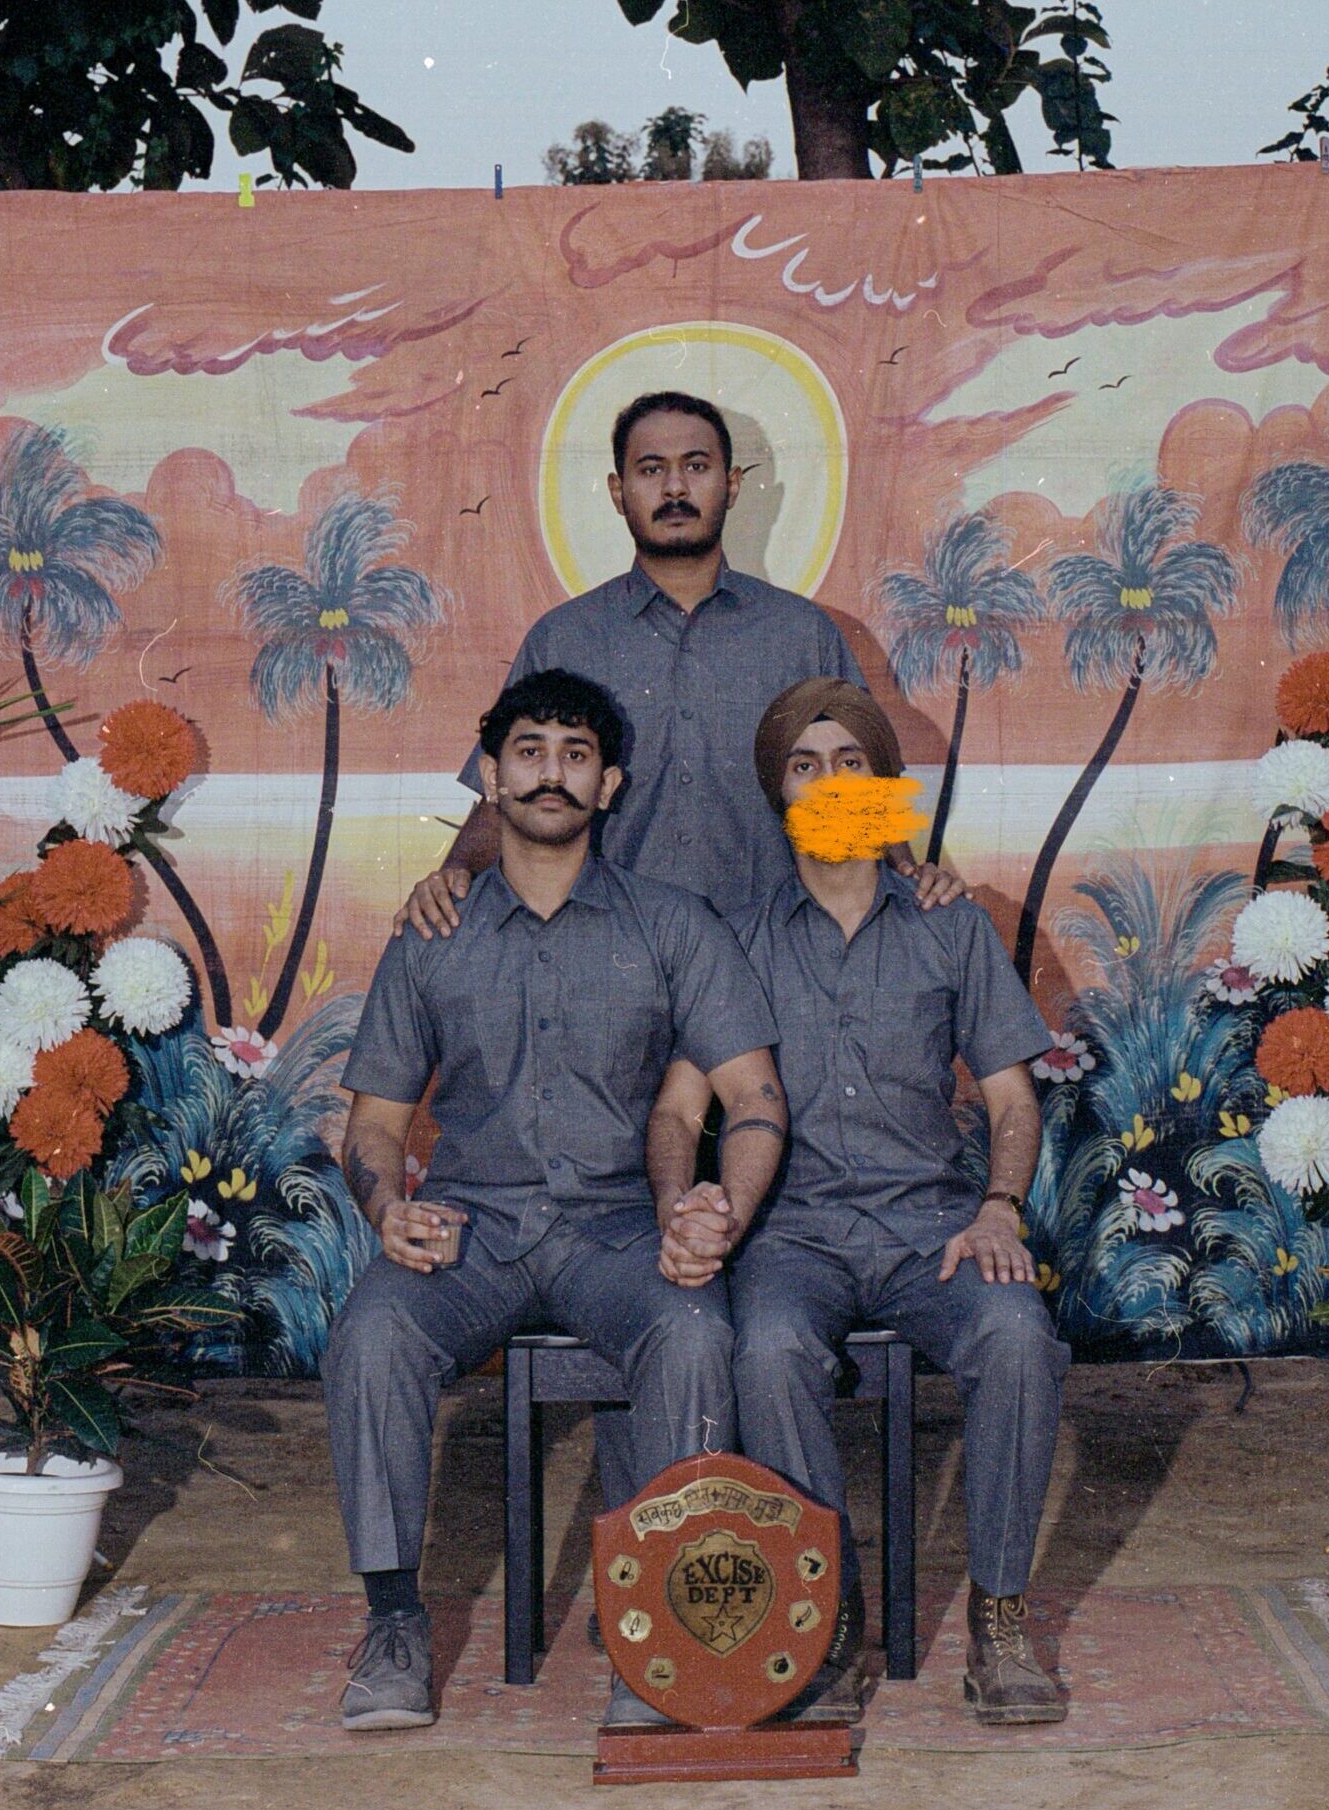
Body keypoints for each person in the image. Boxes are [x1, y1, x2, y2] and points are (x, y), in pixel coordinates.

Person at [323, 668, 790, 1732]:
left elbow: (753, 1095)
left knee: (691, 1330)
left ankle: (665, 1636)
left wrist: (717, 1210)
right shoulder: (432, 935)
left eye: (575, 754)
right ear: (491, 776)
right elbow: (376, 1127)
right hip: (472, 1232)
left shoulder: (674, 925)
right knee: (372, 1337)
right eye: (528, 750)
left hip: (617, 1234)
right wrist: (386, 1207)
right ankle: (394, 1625)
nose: (550, 773)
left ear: (610, 784)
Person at [656, 677, 1071, 1728]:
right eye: (804, 766)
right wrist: (686, 1202)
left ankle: (1000, 1615)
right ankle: (821, 1612)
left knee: (1018, 1336)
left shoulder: (949, 925)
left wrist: (998, 1210)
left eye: (852, 764)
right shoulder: (731, 939)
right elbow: (679, 1105)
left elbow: (1012, 1097)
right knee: (767, 1352)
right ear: (777, 796)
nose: (829, 782)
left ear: (885, 787)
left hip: (934, 1224)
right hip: (791, 1236)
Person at [397, 388, 964, 936]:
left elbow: (860, 796)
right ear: (618, 492)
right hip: (608, 955)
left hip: (769, 957)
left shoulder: (803, 636)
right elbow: (506, 796)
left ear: (733, 484)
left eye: (696, 467)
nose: (674, 488)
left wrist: (912, 878)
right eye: (650, 470)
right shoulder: (565, 639)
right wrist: (454, 876)